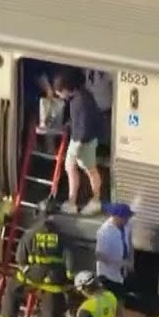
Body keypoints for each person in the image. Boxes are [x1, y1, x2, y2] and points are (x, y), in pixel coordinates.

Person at [0, 199, 72, 317]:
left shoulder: (30, 233)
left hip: (33, 275)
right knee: (52, 304)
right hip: (54, 278)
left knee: (13, 289)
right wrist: (67, 277)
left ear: (38, 213)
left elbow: (20, 258)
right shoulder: (61, 236)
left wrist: (26, 271)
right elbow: (69, 257)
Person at [54, 69, 106, 214]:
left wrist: (77, 145)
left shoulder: (79, 101)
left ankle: (92, 200)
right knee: (73, 167)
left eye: (59, 91)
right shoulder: (82, 96)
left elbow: (82, 125)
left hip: (83, 141)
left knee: (88, 170)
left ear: (65, 88)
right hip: (83, 139)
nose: (58, 94)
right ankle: (75, 201)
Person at [95, 202, 134, 307]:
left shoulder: (126, 225)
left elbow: (129, 241)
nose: (128, 220)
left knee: (121, 301)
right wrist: (120, 263)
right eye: (126, 217)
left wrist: (131, 260)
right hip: (109, 276)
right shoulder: (104, 232)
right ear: (117, 217)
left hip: (121, 273)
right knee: (111, 304)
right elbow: (99, 255)